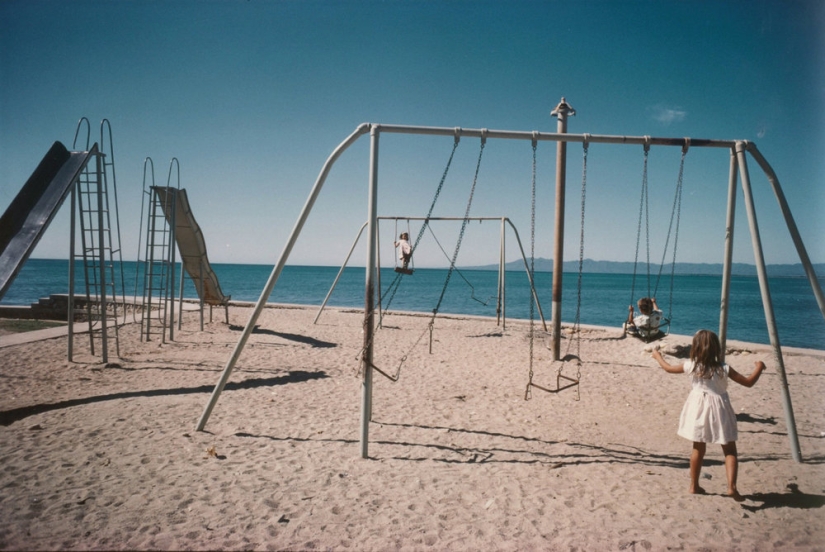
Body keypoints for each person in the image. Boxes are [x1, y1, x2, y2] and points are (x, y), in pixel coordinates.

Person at [651, 330, 766, 501]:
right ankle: (731, 487)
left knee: (698, 448)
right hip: (719, 407)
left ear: (695, 348)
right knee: (729, 450)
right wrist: (759, 367)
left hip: (698, 408)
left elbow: (668, 368)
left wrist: (657, 356)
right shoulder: (723, 368)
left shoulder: (691, 365)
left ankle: (694, 485)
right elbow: (748, 382)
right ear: (716, 349)